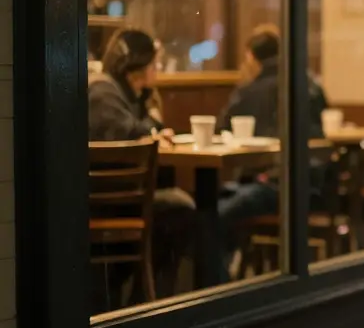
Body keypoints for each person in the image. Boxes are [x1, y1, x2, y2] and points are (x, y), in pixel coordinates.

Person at [88, 28, 197, 301]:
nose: (157, 69)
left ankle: (144, 302)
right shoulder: (103, 91)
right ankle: (147, 305)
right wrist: (153, 122)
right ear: (137, 65)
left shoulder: (124, 94)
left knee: (178, 205)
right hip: (105, 204)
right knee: (180, 209)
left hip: (118, 198)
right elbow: (130, 137)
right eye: (154, 63)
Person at [214, 25, 329, 279]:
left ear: (252, 58)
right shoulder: (308, 82)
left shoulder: (250, 91)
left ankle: (217, 286)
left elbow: (222, 129)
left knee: (212, 214)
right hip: (313, 185)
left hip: (276, 185)